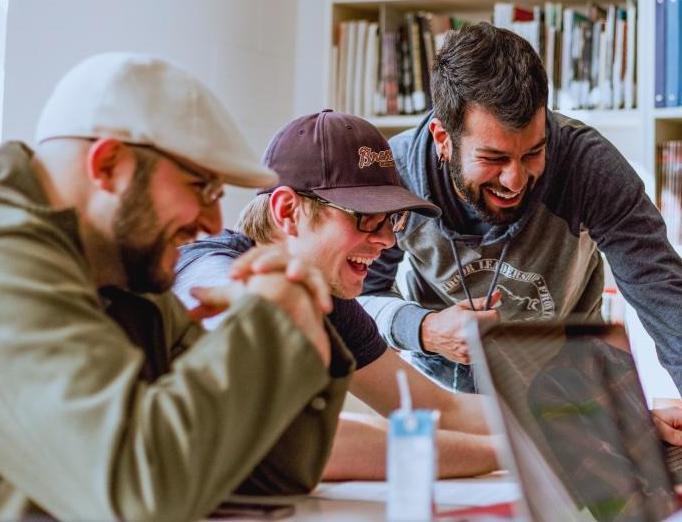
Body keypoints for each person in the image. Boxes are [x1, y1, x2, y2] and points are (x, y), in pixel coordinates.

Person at [0, 53, 353, 522]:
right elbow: (137, 494)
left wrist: (299, 321)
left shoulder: (119, 275)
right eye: (200, 187)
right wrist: (268, 324)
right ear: (108, 165)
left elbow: (266, 475)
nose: (213, 221)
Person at [361, 21, 682, 405]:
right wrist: (424, 329)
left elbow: (663, 292)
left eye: (533, 152)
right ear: (442, 139)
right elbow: (361, 297)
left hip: (567, 388)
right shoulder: (394, 175)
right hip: (442, 389)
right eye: (493, 158)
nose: (515, 180)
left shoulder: (588, 165)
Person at [174, 109, 497, 479]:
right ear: (287, 211)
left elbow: (436, 409)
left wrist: (554, 426)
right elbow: (293, 439)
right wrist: (510, 454)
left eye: (390, 220)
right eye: (365, 216)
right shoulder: (208, 272)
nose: (388, 240)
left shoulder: (329, 301)